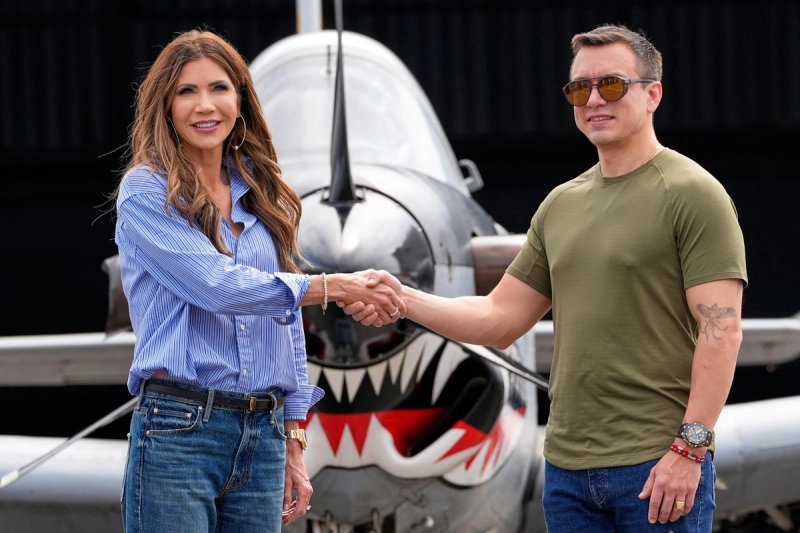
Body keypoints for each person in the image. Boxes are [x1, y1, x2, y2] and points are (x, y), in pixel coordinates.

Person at [345, 24, 747, 532]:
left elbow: (721, 329)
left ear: (653, 94)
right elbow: (498, 317)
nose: (594, 99)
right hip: (567, 473)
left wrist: (689, 450)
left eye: (613, 85)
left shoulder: (694, 193)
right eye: (580, 88)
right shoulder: (560, 206)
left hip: (656, 465)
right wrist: (401, 299)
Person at [114, 29, 404, 532]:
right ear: (164, 105)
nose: (205, 105)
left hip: (264, 434)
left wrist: (293, 436)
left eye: (219, 88)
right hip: (180, 429)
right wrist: (336, 286)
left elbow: (283, 321)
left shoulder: (262, 189)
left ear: (241, 99)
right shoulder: (146, 192)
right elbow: (219, 287)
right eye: (186, 91)